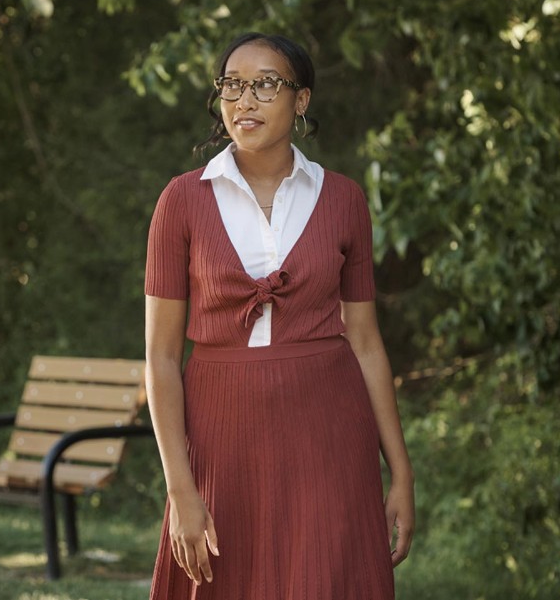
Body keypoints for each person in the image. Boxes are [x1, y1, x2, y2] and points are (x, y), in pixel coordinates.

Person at [144, 32, 415, 599]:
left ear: (302, 100)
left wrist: (401, 470)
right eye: (233, 86)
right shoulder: (181, 201)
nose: (245, 101)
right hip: (222, 434)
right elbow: (161, 357)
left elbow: (365, 342)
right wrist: (182, 491)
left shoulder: (344, 199)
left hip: (330, 434)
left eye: (266, 84)